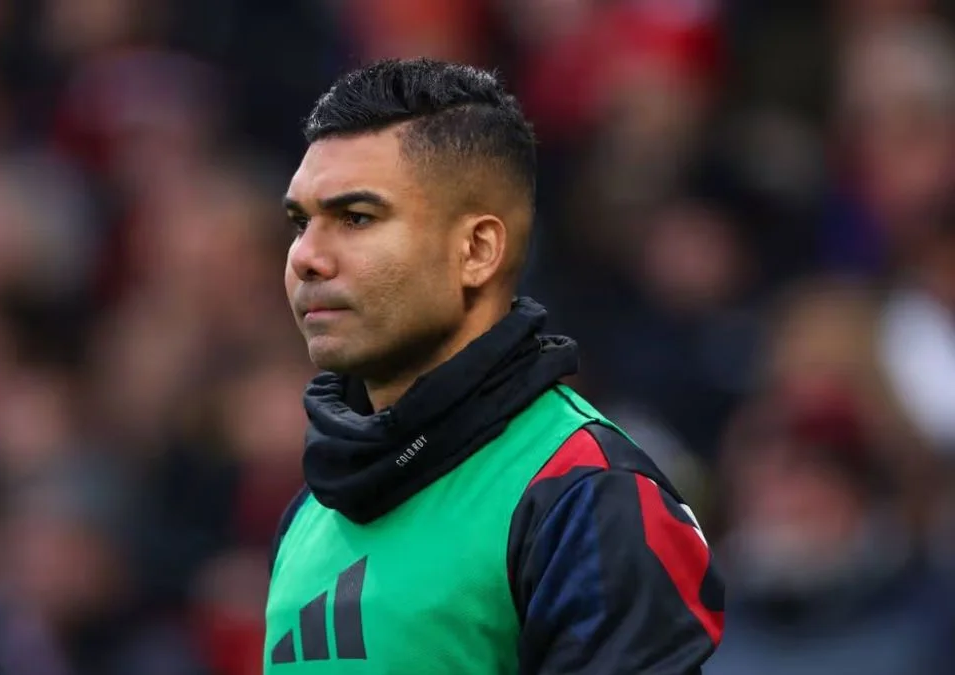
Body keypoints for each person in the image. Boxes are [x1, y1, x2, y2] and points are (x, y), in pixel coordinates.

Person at [266, 57, 724, 674]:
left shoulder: (588, 494)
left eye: (356, 218)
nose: (306, 257)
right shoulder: (308, 514)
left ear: (477, 250)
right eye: (301, 223)